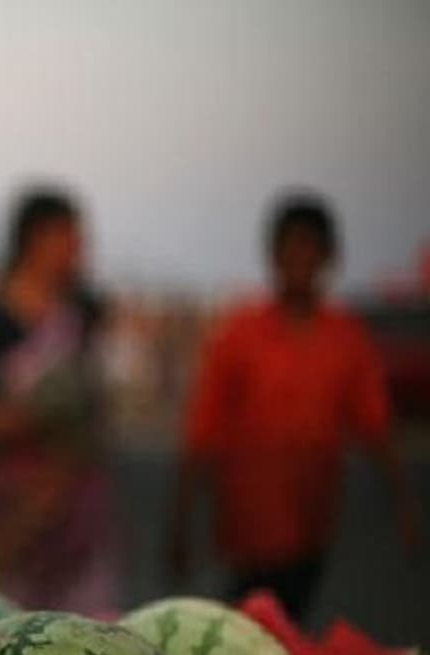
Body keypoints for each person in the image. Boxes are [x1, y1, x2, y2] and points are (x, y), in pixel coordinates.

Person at [169, 193, 423, 620]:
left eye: (309, 248)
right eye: (289, 248)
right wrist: (180, 524)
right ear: (272, 255)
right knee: (245, 631)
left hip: (313, 527)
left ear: (329, 257)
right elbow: (200, 432)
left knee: (294, 628)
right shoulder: (239, 334)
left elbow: (376, 427)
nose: (298, 260)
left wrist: (405, 508)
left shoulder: (346, 338)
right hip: (246, 529)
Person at [0, 188, 119, 615]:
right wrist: (42, 416)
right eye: (68, 238)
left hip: (76, 523)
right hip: (14, 525)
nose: (79, 251)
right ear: (34, 240)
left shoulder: (84, 318)